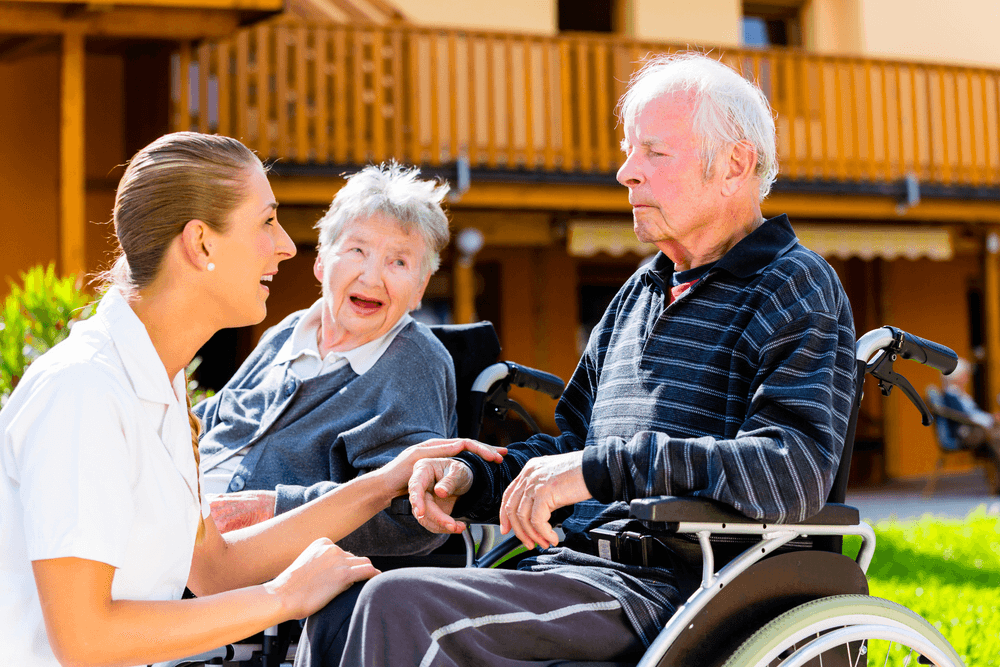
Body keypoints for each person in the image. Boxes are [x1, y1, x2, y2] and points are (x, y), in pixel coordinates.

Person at [337, 52, 858, 666]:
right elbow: (573, 447)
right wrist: (474, 479)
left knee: (399, 607)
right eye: (629, 151)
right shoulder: (640, 291)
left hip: (668, 590)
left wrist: (598, 470)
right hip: (570, 567)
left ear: (735, 165)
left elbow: (789, 472)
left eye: (654, 154)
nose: (625, 173)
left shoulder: (793, 286)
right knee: (343, 597)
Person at [0, 131, 502, 667]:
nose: (287, 245)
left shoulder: (161, 391)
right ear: (200, 244)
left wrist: (381, 484)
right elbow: (85, 641)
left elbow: (214, 568)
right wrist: (281, 596)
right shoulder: (86, 391)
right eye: (266, 221)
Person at [195, 162, 457, 562]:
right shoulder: (286, 334)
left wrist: (275, 509)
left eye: (399, 262)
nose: (372, 277)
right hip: (174, 521)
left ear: (419, 289)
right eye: (357, 251)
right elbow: (213, 419)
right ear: (321, 262)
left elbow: (410, 516)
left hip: (245, 570)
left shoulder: (413, 364)